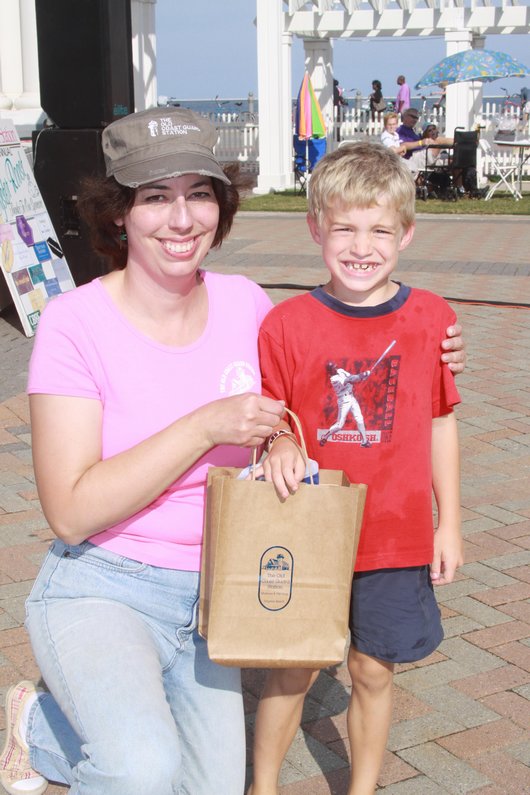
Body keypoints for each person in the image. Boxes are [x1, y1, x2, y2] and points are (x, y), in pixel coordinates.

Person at [0, 107, 286, 795]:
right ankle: (38, 721)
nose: (181, 219)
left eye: (198, 193)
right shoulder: (74, 324)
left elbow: (302, 397)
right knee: (139, 769)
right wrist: (204, 426)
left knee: (208, 787)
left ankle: (46, 728)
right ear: (119, 214)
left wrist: (431, 350)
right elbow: (70, 512)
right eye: (155, 197)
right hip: (102, 582)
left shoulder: (248, 303)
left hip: (213, 598)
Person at [249, 142, 464, 795]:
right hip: (309, 528)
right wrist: (280, 444)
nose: (361, 245)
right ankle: (262, 784)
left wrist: (448, 521)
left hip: (396, 537)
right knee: (293, 670)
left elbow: (439, 421)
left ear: (407, 232)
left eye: (379, 228)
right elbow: (272, 417)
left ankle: (362, 786)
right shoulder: (285, 323)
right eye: (344, 226)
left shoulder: (432, 318)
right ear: (316, 228)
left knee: (374, 669)